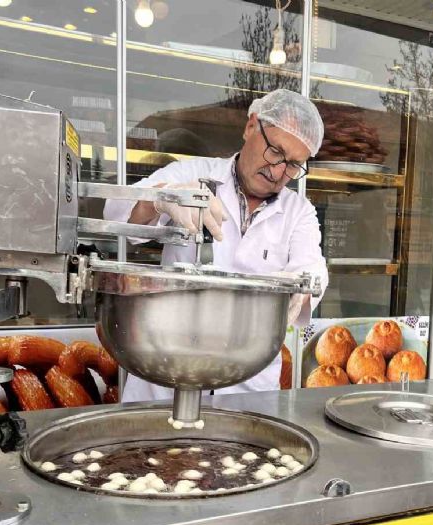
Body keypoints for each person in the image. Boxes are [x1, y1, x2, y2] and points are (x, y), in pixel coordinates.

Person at [103, 89, 329, 403]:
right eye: (275, 152)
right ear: (251, 126)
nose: (278, 172)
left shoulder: (298, 211)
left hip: (249, 384)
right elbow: (115, 211)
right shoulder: (193, 174)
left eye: (293, 165)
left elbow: (312, 265)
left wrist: (305, 285)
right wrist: (163, 199)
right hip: (168, 374)